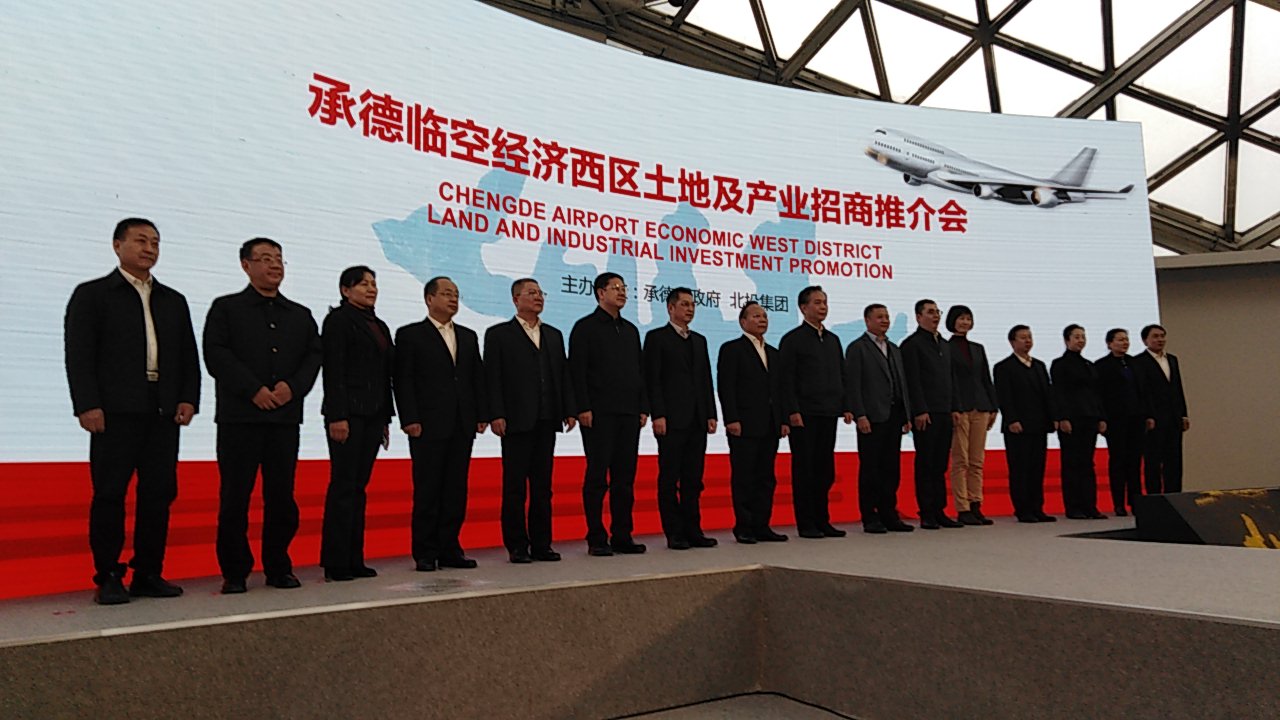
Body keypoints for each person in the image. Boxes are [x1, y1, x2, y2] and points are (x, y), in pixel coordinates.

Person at [64, 218, 201, 605]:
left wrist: (188, 398)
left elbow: (187, 355)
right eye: (141, 240)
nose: (149, 248)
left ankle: (148, 572)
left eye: (155, 242)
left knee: (159, 493)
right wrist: (87, 404)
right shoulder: (93, 295)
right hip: (114, 411)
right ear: (117, 245)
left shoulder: (173, 299)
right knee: (110, 493)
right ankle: (108, 575)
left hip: (162, 410)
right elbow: (79, 355)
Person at [204, 238, 322, 594]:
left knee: (282, 498)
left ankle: (278, 565)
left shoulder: (300, 315)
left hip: (284, 419)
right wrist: (252, 389)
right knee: (235, 497)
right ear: (246, 265)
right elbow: (216, 354)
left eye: (279, 259)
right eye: (266, 259)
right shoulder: (226, 308)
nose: (275, 265)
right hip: (239, 418)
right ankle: (235, 571)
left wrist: (293, 387)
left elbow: (313, 357)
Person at [395, 277, 487, 571]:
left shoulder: (468, 336)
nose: (453, 299)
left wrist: (481, 414)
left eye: (456, 294)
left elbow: (476, 377)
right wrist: (409, 418)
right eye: (447, 294)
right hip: (427, 424)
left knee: (455, 489)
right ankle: (425, 551)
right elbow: (403, 379)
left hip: (462, 423)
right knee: (428, 489)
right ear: (429, 299)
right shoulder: (410, 335)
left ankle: (450, 548)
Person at [485, 278, 576, 564]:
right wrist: (496, 414)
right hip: (516, 420)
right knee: (515, 487)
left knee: (542, 487)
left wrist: (568, 409)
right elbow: (492, 377)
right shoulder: (499, 334)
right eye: (531, 293)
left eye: (541, 293)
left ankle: (542, 544)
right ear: (516, 299)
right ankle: (516, 545)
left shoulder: (553, 334)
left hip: (547, 419)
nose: (538, 297)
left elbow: (562, 374)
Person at [320, 266, 394, 581]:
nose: (371, 288)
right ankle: (336, 561)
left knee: (358, 488)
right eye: (363, 284)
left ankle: (354, 558)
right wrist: (337, 415)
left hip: (373, 415)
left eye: (373, 283)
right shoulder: (338, 321)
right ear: (345, 290)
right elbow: (333, 370)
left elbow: (385, 375)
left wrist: (385, 418)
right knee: (344, 487)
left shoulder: (379, 324)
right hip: (347, 415)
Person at [569, 272, 649, 556]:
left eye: (624, 287)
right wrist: (582, 407)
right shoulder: (585, 328)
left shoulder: (630, 330)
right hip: (598, 414)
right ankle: (596, 536)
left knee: (624, 479)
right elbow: (577, 371)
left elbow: (639, 372)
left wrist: (643, 407)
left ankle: (622, 534)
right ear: (600, 293)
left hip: (628, 413)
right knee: (596, 478)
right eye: (615, 287)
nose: (622, 292)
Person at [644, 287, 718, 550]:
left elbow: (706, 379)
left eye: (692, 305)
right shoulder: (656, 338)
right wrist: (658, 414)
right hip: (671, 420)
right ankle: (674, 532)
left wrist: (711, 413)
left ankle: (693, 529)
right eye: (684, 304)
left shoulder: (699, 340)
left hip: (697, 419)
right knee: (669, 478)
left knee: (693, 479)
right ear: (670, 308)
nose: (690, 309)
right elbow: (652, 379)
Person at [779, 286, 852, 539]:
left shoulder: (833, 340)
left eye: (825, 302)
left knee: (824, 469)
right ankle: (806, 523)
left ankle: (823, 520)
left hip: (828, 412)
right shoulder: (793, 339)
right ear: (803, 308)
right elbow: (786, 380)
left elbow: (842, 374)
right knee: (805, 470)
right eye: (817, 302)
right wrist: (792, 410)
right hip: (804, 414)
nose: (823, 307)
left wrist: (845, 405)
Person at [718, 302, 790, 544]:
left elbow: (779, 390)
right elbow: (727, 387)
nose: (762, 320)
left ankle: (762, 525)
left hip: (770, 424)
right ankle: (744, 526)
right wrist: (731, 419)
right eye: (756, 316)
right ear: (743, 322)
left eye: (765, 316)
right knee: (744, 477)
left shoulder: (774, 353)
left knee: (766, 477)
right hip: (744, 424)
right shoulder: (732, 349)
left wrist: (783, 420)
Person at [844, 304, 914, 534]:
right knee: (871, 469)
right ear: (867, 321)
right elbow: (853, 384)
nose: (885, 320)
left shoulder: (894, 348)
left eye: (887, 316)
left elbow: (902, 384)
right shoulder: (857, 348)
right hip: (871, 417)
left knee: (891, 468)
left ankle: (889, 513)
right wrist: (860, 414)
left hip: (894, 416)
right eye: (879, 317)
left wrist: (906, 415)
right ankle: (870, 516)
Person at [900, 299, 963, 530]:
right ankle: (926, 512)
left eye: (937, 312)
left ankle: (939, 510)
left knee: (940, 464)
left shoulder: (945, 344)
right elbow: (912, 381)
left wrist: (955, 407)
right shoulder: (912, 344)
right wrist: (919, 410)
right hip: (925, 413)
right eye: (930, 312)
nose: (935, 316)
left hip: (945, 410)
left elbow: (952, 378)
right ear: (918, 317)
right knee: (926, 463)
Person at [994, 326, 1058, 523]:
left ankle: (1037, 507)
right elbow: (1004, 397)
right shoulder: (1004, 367)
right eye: (1022, 338)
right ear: (1012, 342)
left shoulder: (1039, 365)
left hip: (1039, 424)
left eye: (1029, 337)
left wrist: (1053, 418)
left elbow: (1048, 395)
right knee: (1020, 469)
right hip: (1018, 426)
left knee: (1037, 468)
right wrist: (1012, 419)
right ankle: (1022, 509)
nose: (1027, 341)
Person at [945, 305, 998, 526]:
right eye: (961, 318)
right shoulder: (945, 347)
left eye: (968, 318)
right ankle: (962, 507)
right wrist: (953, 407)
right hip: (960, 408)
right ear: (952, 321)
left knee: (977, 460)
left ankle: (976, 503)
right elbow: (948, 380)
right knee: (961, 460)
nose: (965, 322)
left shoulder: (978, 348)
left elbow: (986, 378)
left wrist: (994, 407)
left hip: (981, 406)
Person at [1051, 324, 1107, 519]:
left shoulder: (1089, 365)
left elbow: (1096, 393)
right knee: (1071, 463)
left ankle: (1090, 505)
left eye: (1083, 336)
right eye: (1076, 337)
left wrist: (1101, 417)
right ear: (1067, 340)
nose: (1081, 340)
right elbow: (1058, 393)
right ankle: (1073, 507)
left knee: (1087, 463)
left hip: (1090, 417)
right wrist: (1062, 417)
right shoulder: (1059, 364)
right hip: (1071, 419)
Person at [1095, 328, 1149, 517]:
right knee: (1118, 461)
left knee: (1134, 462)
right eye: (1119, 340)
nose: (1124, 343)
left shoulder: (1135, 363)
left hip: (1136, 418)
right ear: (1109, 344)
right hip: (1115, 420)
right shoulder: (1101, 366)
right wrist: (1102, 418)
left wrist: (1147, 415)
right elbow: (1099, 395)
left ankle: (1135, 501)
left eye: (1126, 339)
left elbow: (1143, 391)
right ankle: (1118, 503)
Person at [1132, 324, 1189, 495]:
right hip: (1154, 419)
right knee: (1153, 460)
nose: (1160, 339)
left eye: (1162, 336)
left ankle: (1175, 496)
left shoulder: (1172, 359)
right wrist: (1147, 415)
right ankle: (1155, 497)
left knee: (1174, 460)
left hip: (1173, 418)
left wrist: (1183, 414)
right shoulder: (1138, 362)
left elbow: (1177, 388)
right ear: (1145, 340)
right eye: (1155, 336)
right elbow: (1142, 392)